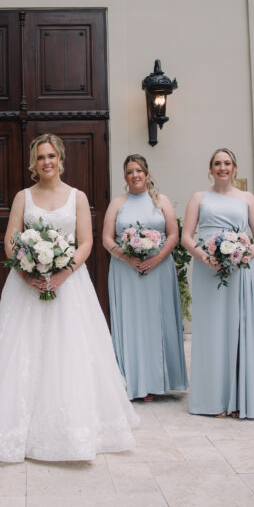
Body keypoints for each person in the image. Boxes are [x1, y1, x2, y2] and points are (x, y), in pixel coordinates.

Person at [0, 133, 138, 462]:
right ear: (34, 163)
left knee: (70, 352)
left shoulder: (78, 197)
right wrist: (27, 273)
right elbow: (11, 240)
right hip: (26, 286)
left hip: (68, 284)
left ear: (61, 159)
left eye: (51, 156)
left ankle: (73, 428)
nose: (46, 162)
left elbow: (85, 242)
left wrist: (62, 273)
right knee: (19, 352)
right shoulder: (22, 197)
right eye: (41, 157)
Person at [181, 148, 254, 419]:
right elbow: (186, 236)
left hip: (240, 271)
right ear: (210, 168)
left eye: (227, 163)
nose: (222, 167)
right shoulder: (199, 198)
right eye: (217, 163)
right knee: (212, 332)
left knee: (238, 329)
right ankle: (212, 400)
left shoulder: (247, 198)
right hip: (209, 272)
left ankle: (239, 399)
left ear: (235, 168)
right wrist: (206, 258)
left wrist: (245, 256)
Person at [102, 154, 187, 401]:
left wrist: (155, 259)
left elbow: (173, 234)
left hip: (158, 270)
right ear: (125, 176)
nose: (135, 175)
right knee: (132, 323)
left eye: (139, 170)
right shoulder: (117, 203)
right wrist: (128, 258)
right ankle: (133, 382)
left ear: (147, 174)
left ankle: (159, 381)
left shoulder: (161, 201)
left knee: (156, 322)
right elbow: (107, 238)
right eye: (130, 171)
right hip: (125, 271)